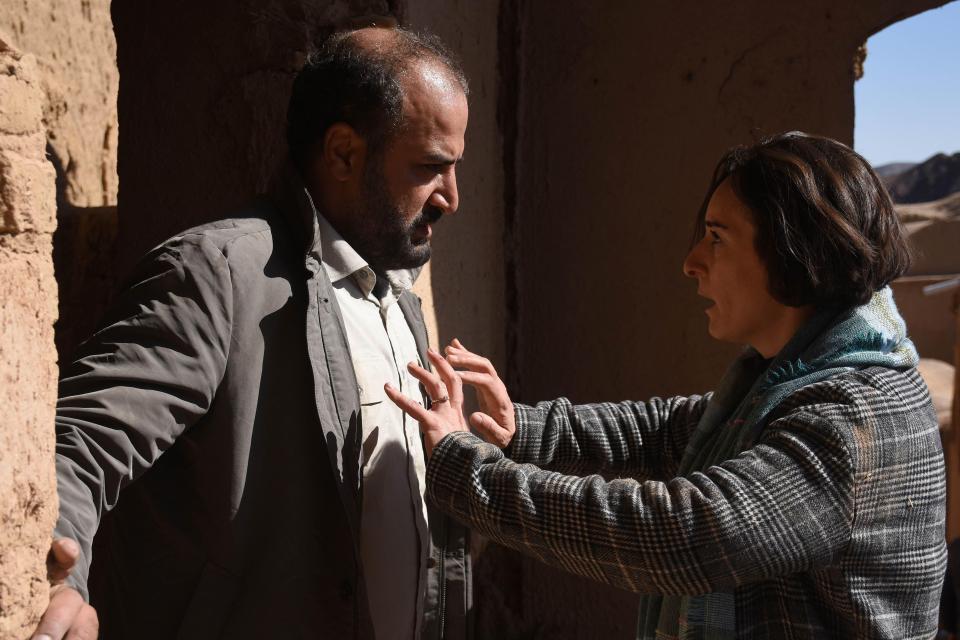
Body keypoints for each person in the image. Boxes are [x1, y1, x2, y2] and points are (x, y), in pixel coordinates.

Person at [388, 132, 947, 639]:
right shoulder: (801, 377)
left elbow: (685, 535)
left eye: (717, 238)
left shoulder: (855, 419)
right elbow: (671, 427)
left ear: (791, 250)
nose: (691, 262)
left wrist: (471, 474)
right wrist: (525, 428)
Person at [33, 24, 472, 640]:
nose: (451, 197)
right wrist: (58, 585)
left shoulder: (396, 295)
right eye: (431, 167)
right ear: (344, 153)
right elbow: (77, 444)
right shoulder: (219, 275)